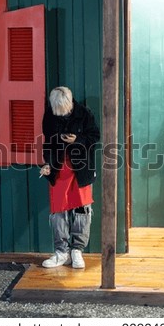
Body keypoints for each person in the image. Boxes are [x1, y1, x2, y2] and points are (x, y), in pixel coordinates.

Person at [40, 86, 100, 269]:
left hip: (81, 169)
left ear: (69, 103)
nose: (59, 113)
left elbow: (94, 136)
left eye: (62, 109)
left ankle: (77, 251)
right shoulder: (49, 115)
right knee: (58, 210)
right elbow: (48, 144)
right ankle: (61, 252)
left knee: (82, 209)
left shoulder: (84, 114)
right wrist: (47, 164)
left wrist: (78, 139)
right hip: (59, 168)